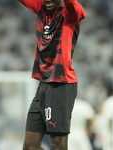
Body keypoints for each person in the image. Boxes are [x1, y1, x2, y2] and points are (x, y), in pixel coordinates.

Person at [16, 0, 86, 149]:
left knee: (57, 144)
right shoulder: (42, 9)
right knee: (29, 146)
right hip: (43, 84)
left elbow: (71, 4)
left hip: (61, 84)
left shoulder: (71, 14)